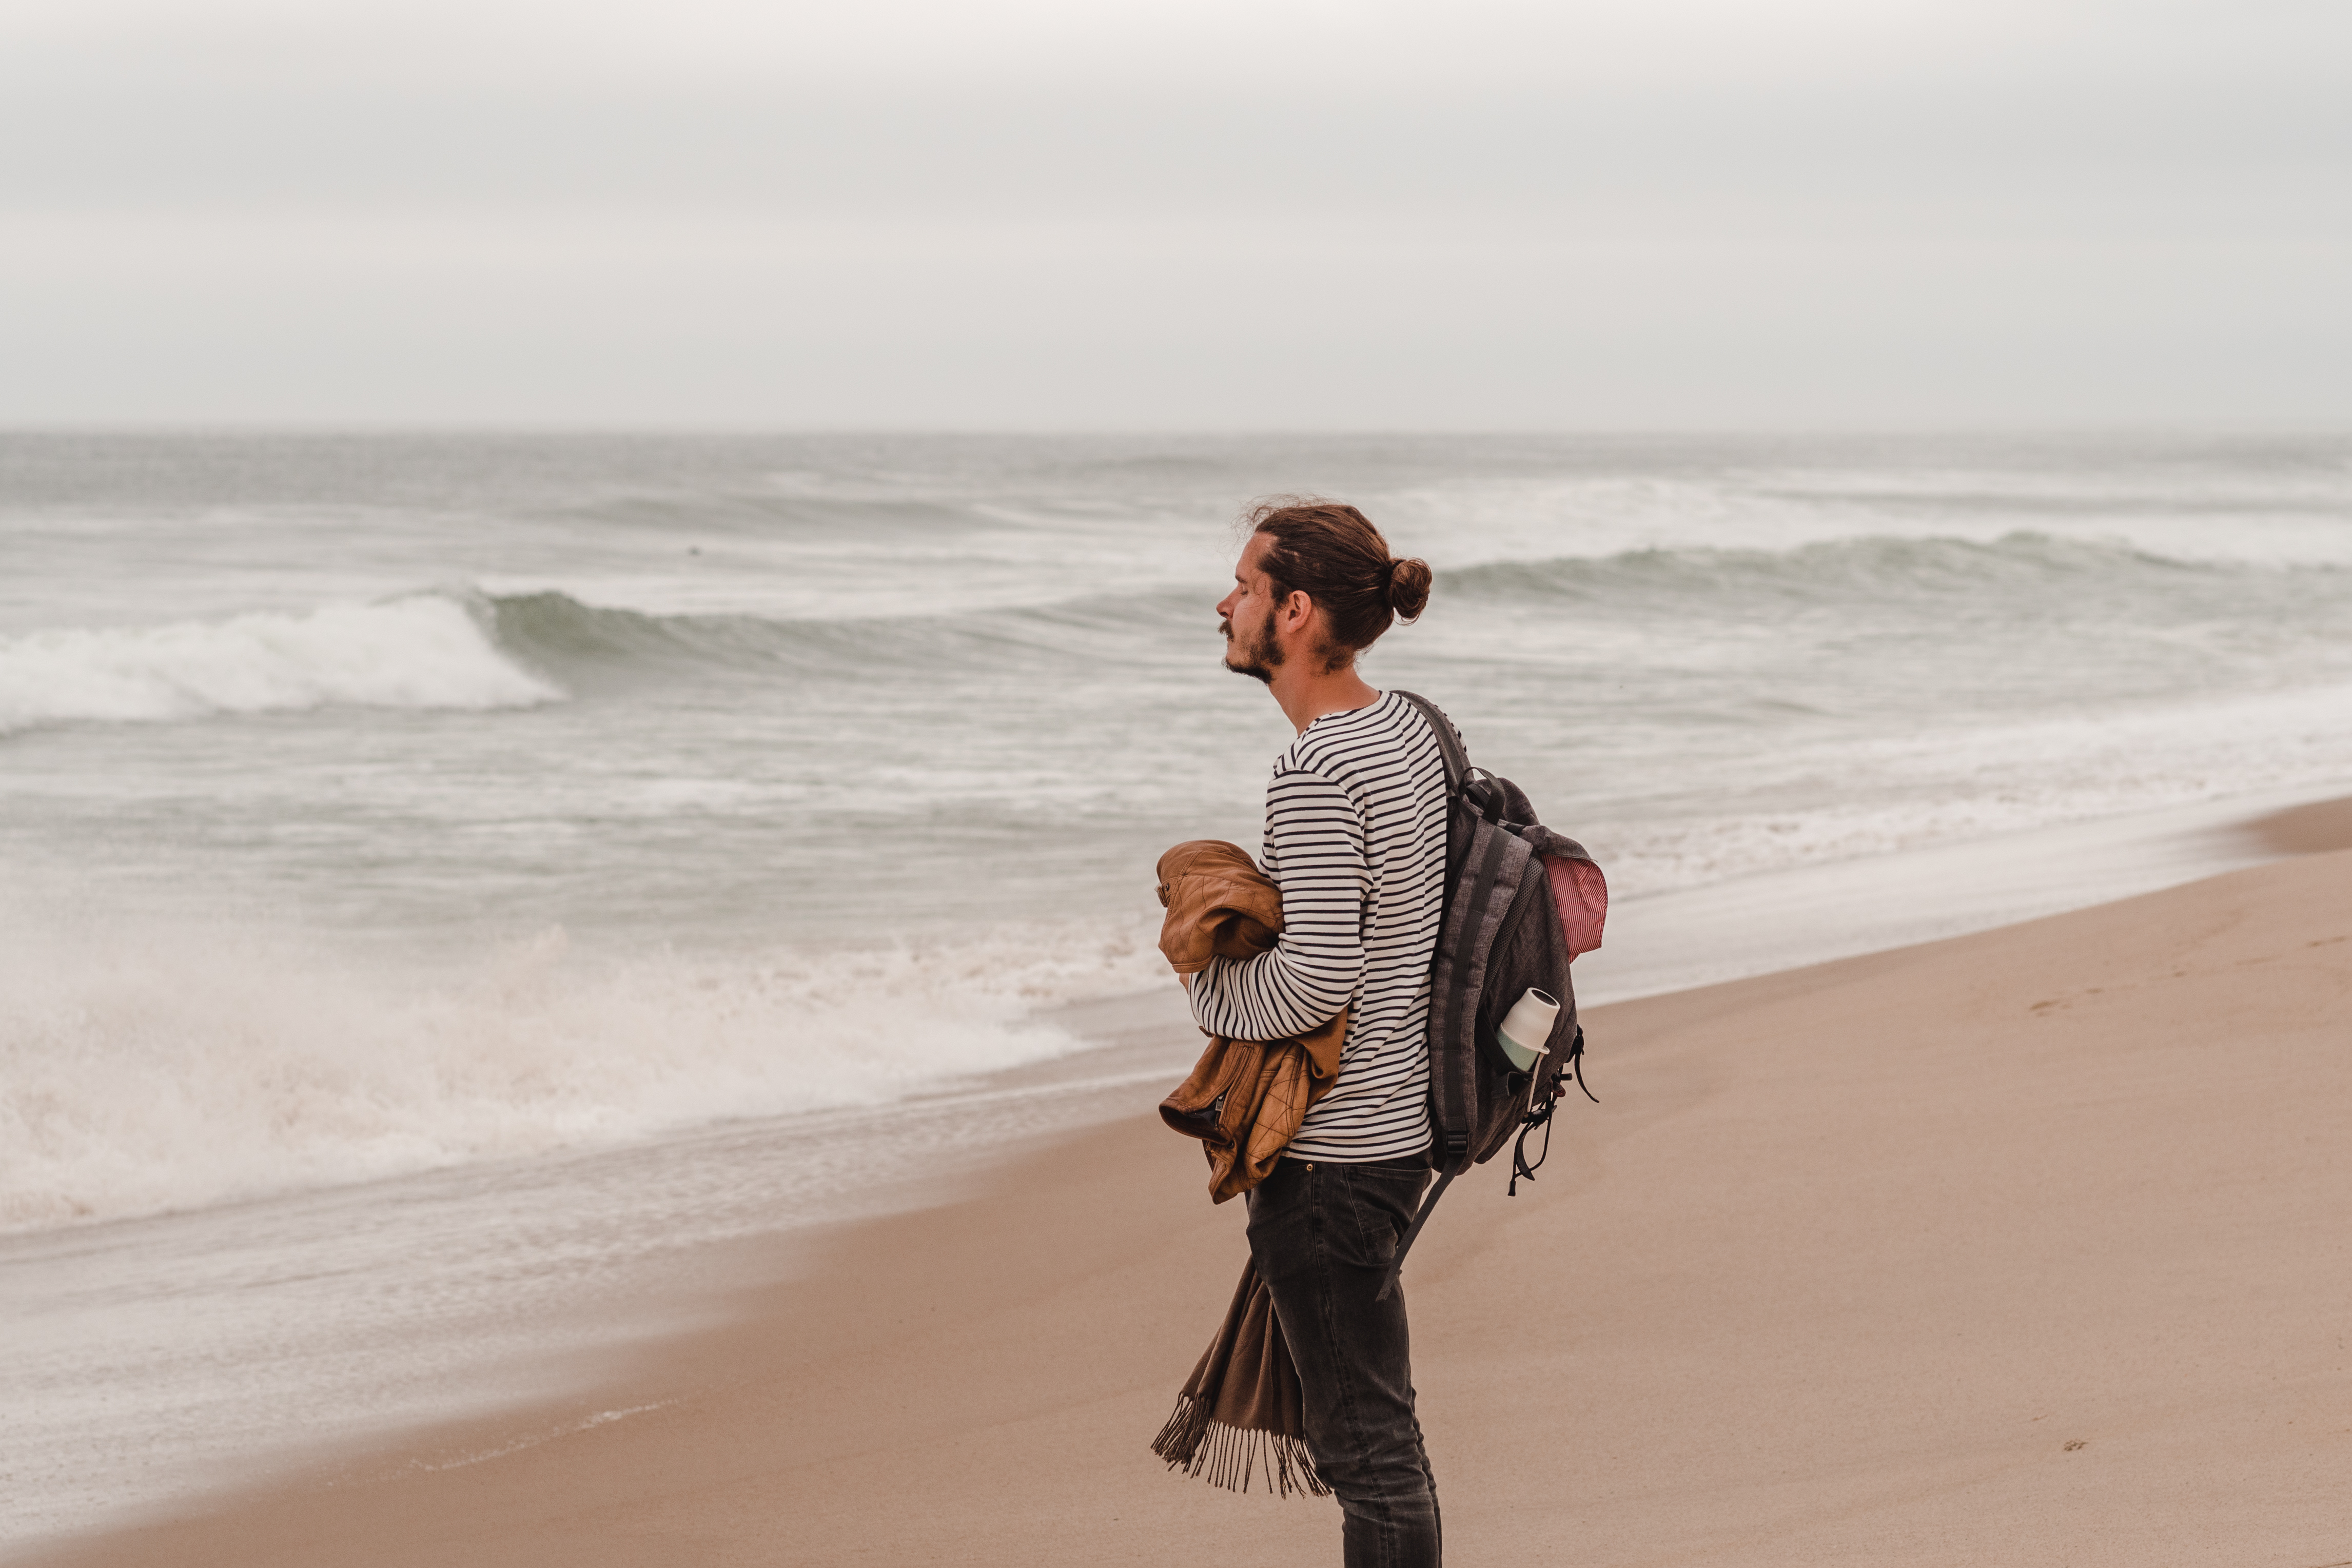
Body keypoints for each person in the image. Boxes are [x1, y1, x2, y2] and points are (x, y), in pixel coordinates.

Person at [1185, 497, 1448, 1567]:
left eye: (1244, 587)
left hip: (1334, 1161)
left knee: (1369, 1454)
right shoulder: (1411, 727)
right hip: (1398, 1130)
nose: (1224, 603)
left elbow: (1312, 985)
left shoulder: (1318, 769)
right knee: (1378, 1436)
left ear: (1294, 610)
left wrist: (1207, 989)